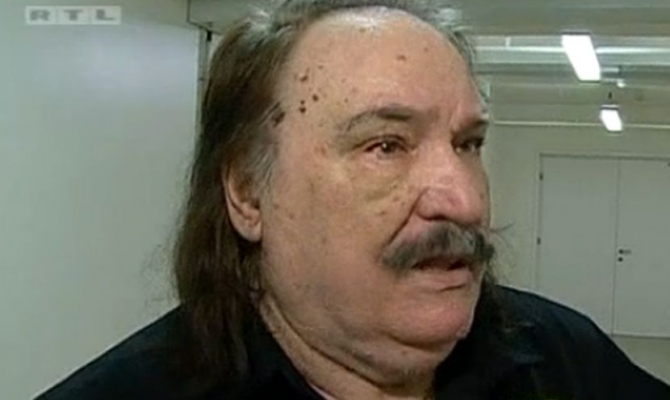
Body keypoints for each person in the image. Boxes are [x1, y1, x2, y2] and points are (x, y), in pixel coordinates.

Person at [37, 0, 670, 399]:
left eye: (468, 143)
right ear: (248, 193)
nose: (463, 201)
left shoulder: (565, 357)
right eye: (385, 145)